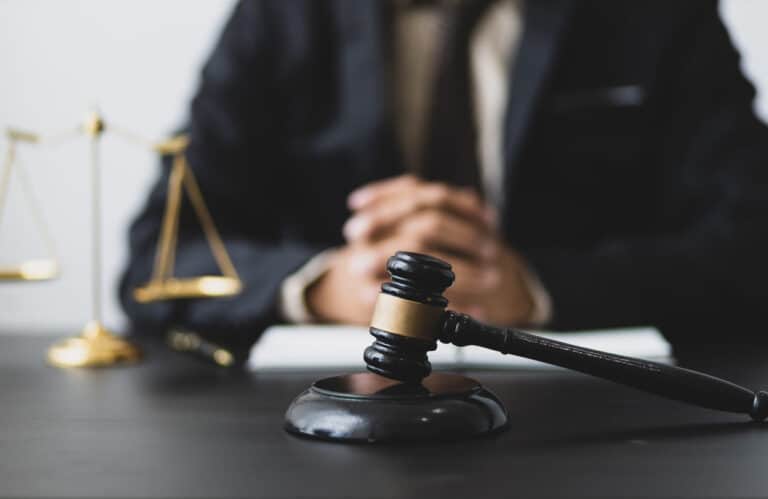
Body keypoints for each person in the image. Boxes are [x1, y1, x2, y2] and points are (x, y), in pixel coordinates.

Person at [120, 0, 768, 357]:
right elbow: (159, 254)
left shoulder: (658, 14)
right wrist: (325, 285)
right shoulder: (280, 16)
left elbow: (752, 245)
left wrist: (538, 290)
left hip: (600, 418)